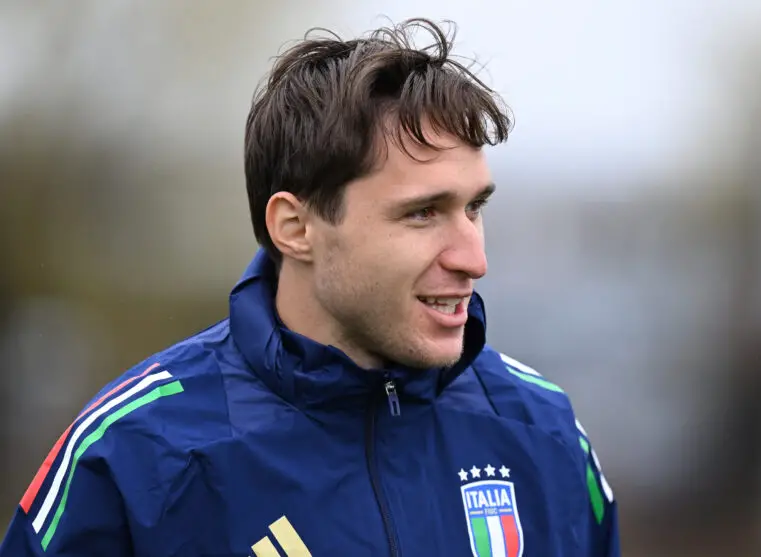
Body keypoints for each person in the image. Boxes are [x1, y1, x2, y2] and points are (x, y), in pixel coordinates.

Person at [0, 17, 619, 557]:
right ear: (295, 228)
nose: (474, 258)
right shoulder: (138, 453)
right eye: (423, 213)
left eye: (473, 207)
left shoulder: (544, 432)